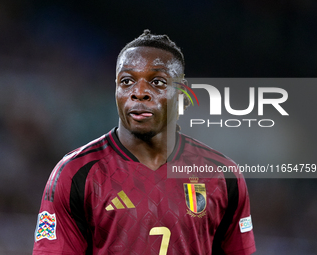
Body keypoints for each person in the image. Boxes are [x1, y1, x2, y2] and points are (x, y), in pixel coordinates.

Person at [33, 30, 256, 255]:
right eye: (127, 81)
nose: (139, 93)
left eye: (157, 82)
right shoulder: (75, 173)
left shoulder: (222, 174)